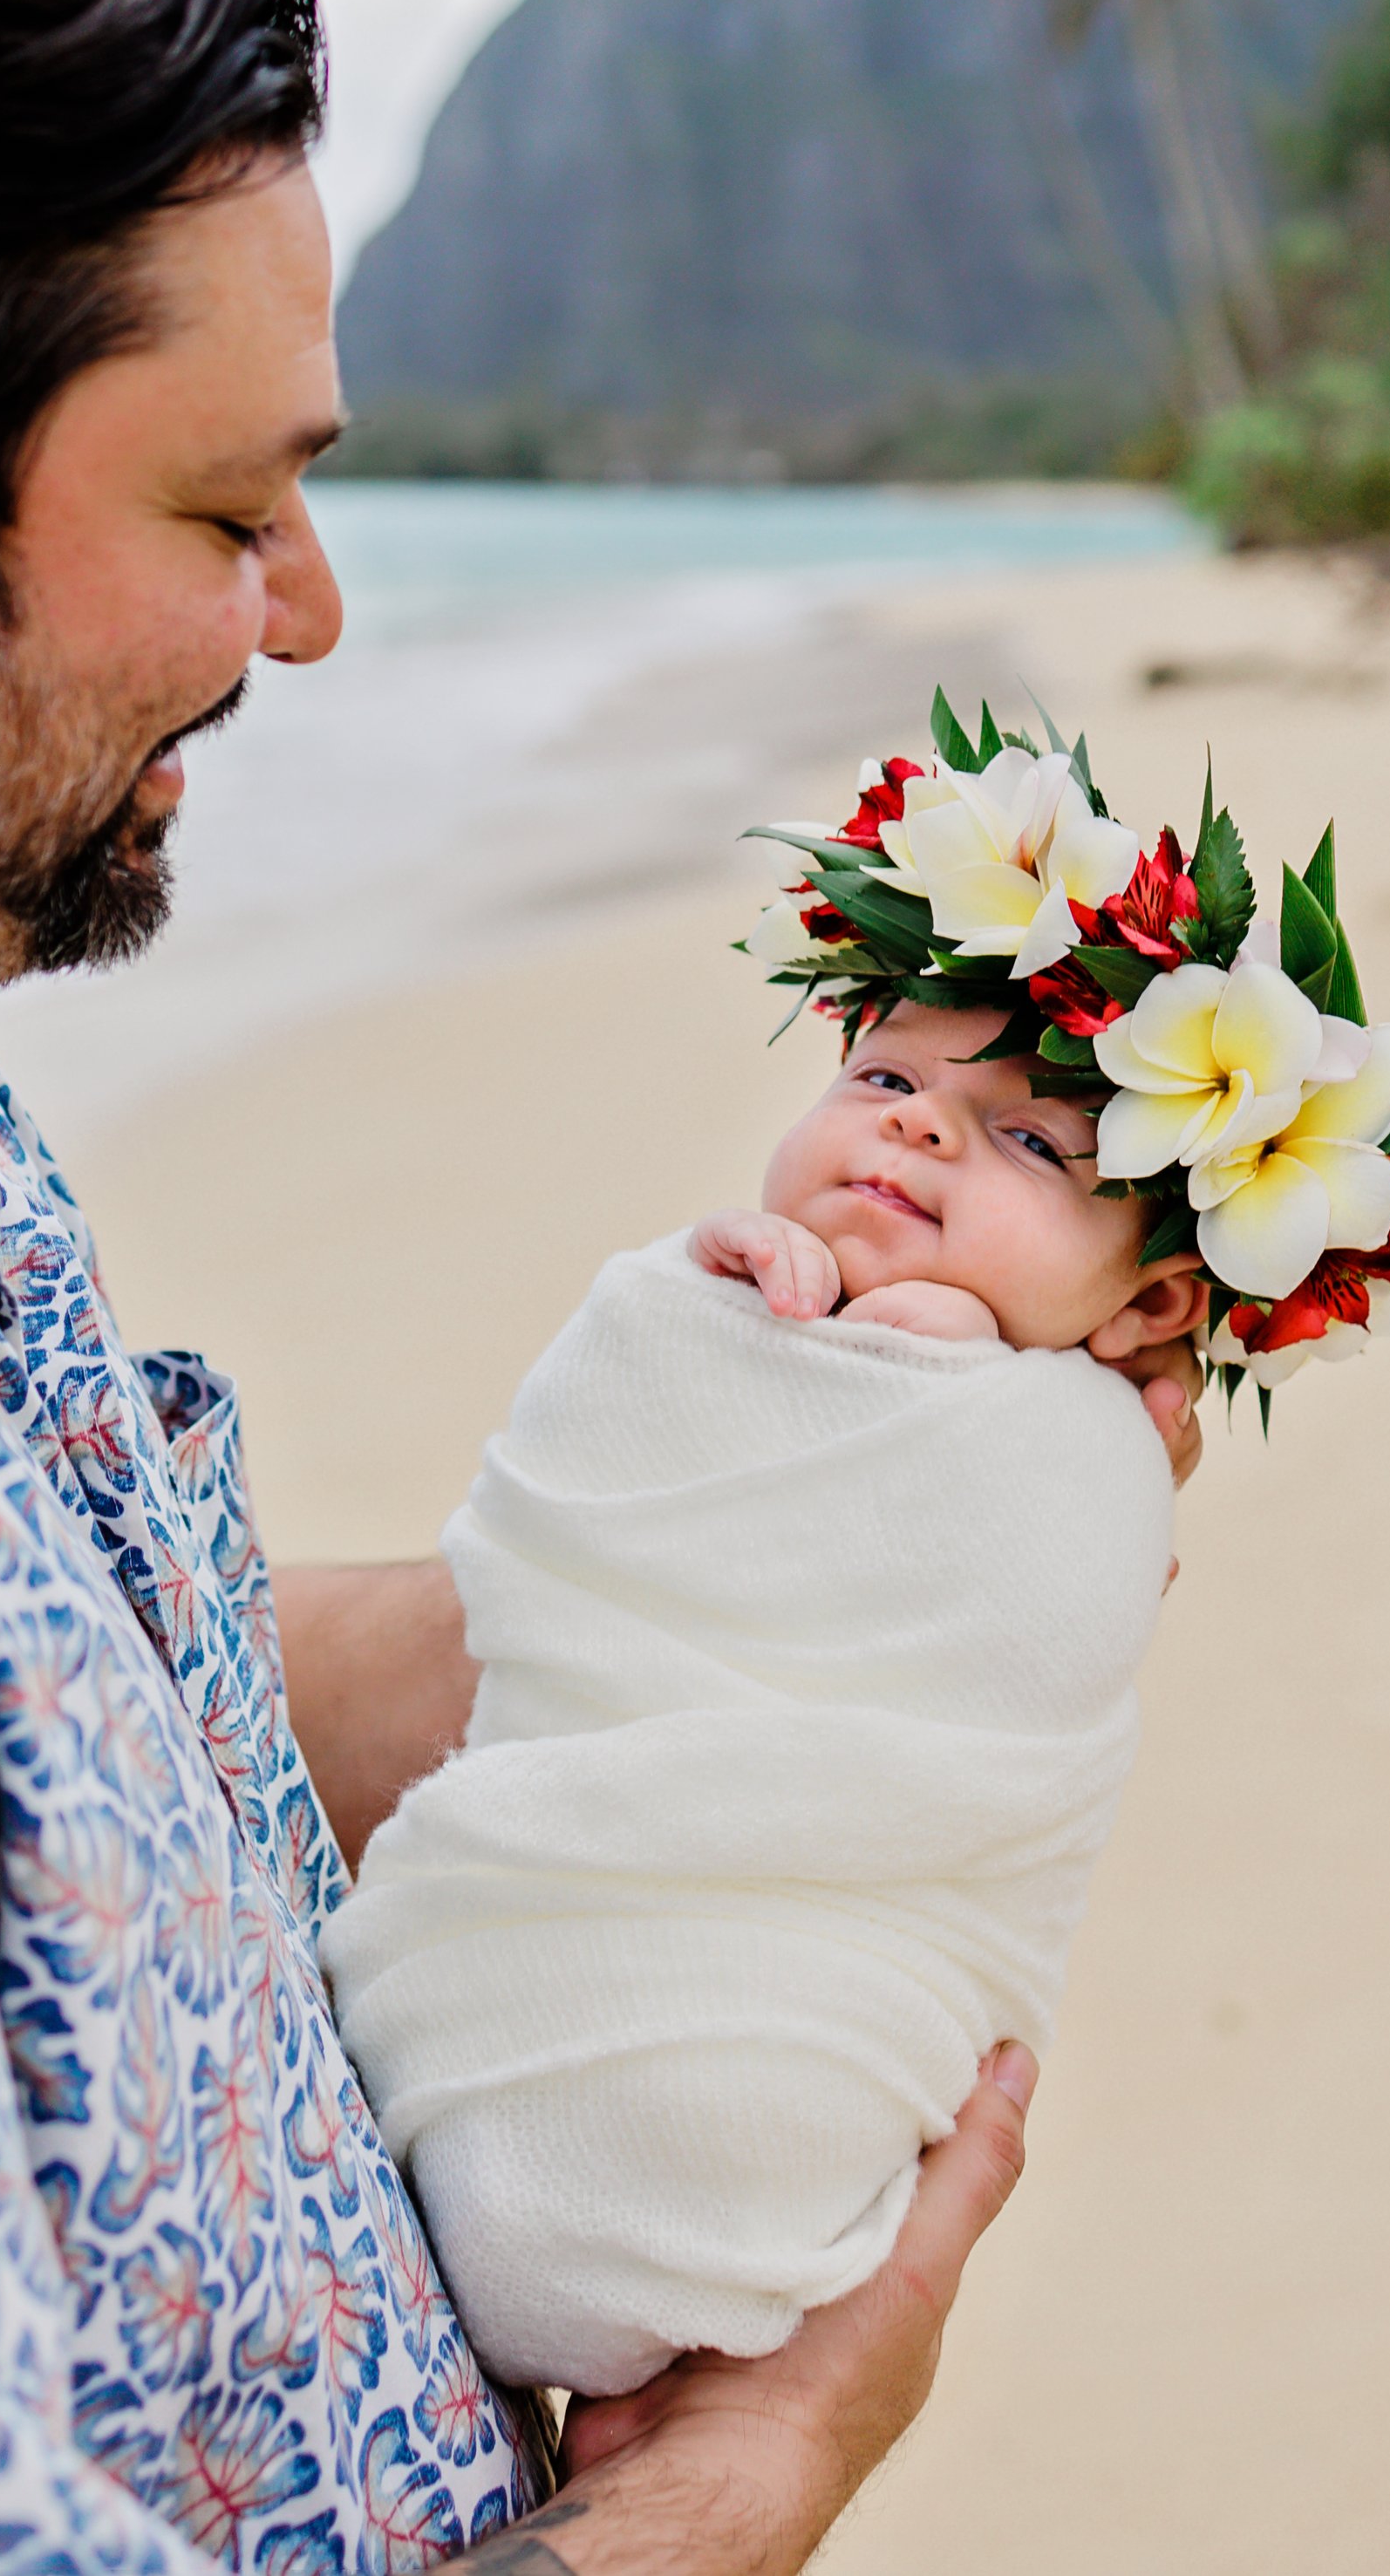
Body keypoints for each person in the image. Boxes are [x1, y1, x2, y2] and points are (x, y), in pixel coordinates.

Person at [0, 0, 1199, 2572]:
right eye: (228, 499)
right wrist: (737, 2499)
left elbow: (5, 1686)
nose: (312, 612)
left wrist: (744, 1591)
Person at [327, 993, 1201, 2396]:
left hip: (793, 2030)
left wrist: (996, 1417)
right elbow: (582, 1484)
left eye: (1031, 1139)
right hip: (529, 1947)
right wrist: (695, 1303)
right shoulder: (714, 1293)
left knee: (743, 2076)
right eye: (883, 1074)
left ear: (1152, 1303)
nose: (916, 1121)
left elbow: (1039, 1644)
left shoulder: (1088, 1449)